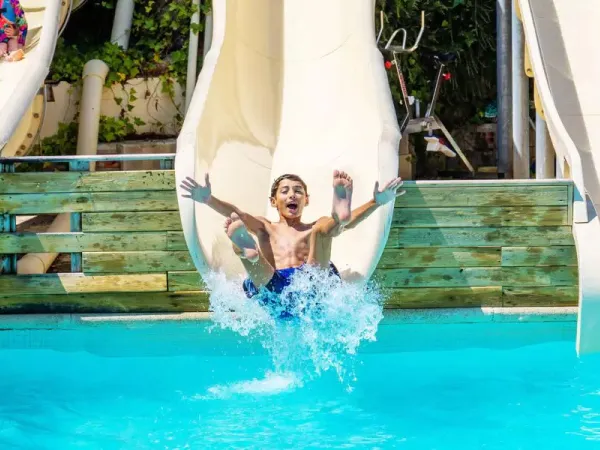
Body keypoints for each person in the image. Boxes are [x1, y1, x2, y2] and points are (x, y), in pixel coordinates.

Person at [180, 170, 404, 316]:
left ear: (306, 200)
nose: (292, 195)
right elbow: (237, 212)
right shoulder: (266, 227)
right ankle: (245, 249)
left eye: (298, 192)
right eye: (285, 191)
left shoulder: (313, 227)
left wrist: (376, 202)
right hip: (272, 283)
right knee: (256, 263)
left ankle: (339, 214)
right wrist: (209, 199)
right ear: (273, 201)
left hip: (309, 284)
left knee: (325, 230)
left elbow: (345, 226)